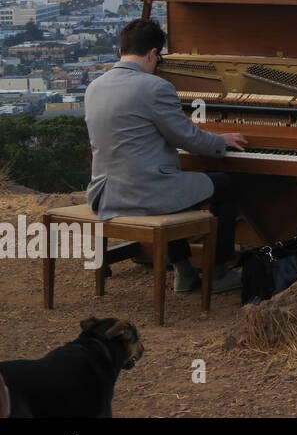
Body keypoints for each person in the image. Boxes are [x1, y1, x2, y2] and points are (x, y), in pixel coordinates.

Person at [85, 18, 248, 294]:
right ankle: (218, 272)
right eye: (158, 59)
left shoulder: (94, 87)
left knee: (177, 182)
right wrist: (221, 140)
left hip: (105, 194)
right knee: (228, 184)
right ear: (152, 54)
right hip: (144, 192)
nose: (157, 64)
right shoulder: (154, 87)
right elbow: (189, 139)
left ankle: (184, 269)